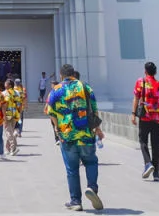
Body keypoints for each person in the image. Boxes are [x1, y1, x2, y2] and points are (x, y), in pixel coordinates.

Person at [48, 64, 104, 212]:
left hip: (67, 135)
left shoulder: (56, 90)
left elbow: (51, 111)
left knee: (72, 169)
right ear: (73, 74)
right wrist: (98, 129)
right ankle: (92, 187)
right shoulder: (85, 87)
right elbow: (94, 109)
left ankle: (75, 201)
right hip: (85, 133)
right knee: (91, 162)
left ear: (61, 75)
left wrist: (56, 128)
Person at [131, 61, 159, 182]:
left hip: (145, 117)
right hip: (158, 118)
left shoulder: (140, 82)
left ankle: (148, 163)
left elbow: (136, 98)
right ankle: (156, 173)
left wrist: (133, 114)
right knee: (155, 144)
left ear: (145, 71)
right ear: (155, 72)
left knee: (143, 141)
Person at [2, 78, 22, 156]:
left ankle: (13, 148)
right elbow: (19, 104)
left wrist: (3, 116)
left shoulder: (4, 93)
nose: (4, 84)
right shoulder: (17, 92)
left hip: (7, 114)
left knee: (8, 131)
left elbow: (3, 105)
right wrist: (19, 113)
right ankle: (8, 149)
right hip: (15, 113)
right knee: (11, 130)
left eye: (6, 83)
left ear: (9, 85)